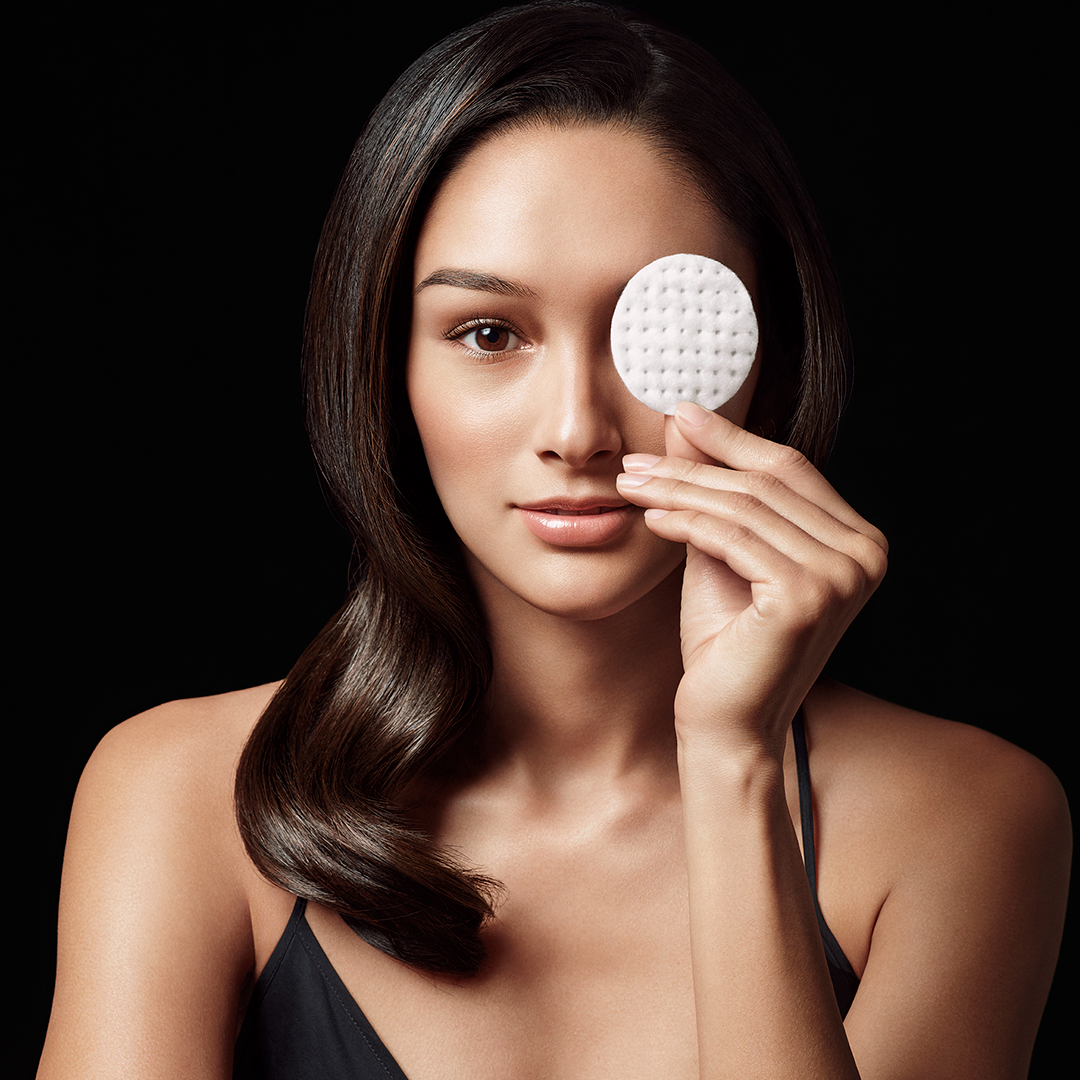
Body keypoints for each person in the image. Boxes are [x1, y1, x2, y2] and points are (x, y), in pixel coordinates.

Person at [37, 3, 1070, 1077]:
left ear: (768, 359)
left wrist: (733, 762)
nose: (577, 430)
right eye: (489, 335)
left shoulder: (965, 821)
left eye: (647, 334)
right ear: (390, 369)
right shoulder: (183, 794)